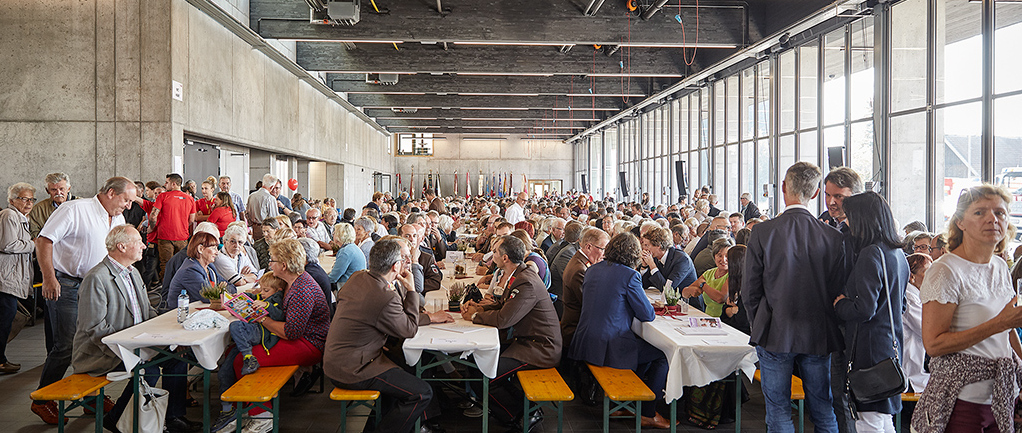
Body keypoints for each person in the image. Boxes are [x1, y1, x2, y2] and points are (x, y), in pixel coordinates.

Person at [743, 162, 848, 433]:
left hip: (775, 330)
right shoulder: (833, 237)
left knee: (778, 409)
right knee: (823, 408)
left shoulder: (763, 232)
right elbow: (838, 289)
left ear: (783, 188)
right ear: (815, 194)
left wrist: (759, 323)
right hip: (818, 331)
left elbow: (750, 290)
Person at [911, 185, 1022, 433]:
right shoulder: (946, 270)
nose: (992, 219)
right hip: (962, 401)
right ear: (960, 222)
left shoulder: (999, 266)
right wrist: (1001, 324)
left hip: (1003, 396)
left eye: (1000, 213)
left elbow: (1008, 328)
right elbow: (934, 345)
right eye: (980, 212)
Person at [71, 225, 200, 433]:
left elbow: (147, 312)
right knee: (146, 369)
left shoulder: (132, 272)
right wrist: (134, 351)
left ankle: (173, 416)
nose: (144, 245)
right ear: (121, 247)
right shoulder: (97, 278)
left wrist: (167, 335)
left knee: (177, 356)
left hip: (137, 343)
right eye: (138, 241)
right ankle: (116, 418)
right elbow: (95, 328)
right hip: (104, 352)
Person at [31, 177, 135, 425]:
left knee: (96, 342)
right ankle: (42, 399)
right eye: (126, 199)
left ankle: (91, 397)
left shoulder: (118, 218)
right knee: (66, 345)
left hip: (99, 286)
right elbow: (44, 240)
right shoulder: (75, 209)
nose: (129, 206)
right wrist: (49, 278)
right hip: (67, 283)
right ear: (111, 192)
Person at [215, 239, 331, 432]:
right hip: (303, 339)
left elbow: (291, 333)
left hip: (310, 344)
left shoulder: (301, 289)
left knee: (243, 360)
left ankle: (261, 416)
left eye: (272, 260)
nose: (270, 263)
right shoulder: (294, 281)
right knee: (236, 354)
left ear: (283, 265)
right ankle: (242, 409)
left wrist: (260, 318)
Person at [323, 237, 436, 433]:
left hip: (337, 359)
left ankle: (410, 423)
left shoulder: (358, 278)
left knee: (407, 367)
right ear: (395, 266)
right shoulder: (385, 295)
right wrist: (411, 289)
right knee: (422, 393)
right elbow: (409, 329)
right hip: (355, 368)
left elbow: (387, 317)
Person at [568, 233, 671, 429]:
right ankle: (648, 413)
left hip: (585, 340)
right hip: (609, 345)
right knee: (662, 354)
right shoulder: (629, 275)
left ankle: (626, 404)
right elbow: (647, 314)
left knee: (643, 351)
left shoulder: (593, 270)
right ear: (633, 254)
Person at [460, 235, 562, 432]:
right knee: (475, 363)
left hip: (539, 348)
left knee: (483, 373)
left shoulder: (525, 282)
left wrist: (475, 317)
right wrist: (479, 308)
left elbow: (504, 319)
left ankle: (521, 413)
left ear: (505, 257)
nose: (493, 255)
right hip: (526, 341)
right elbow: (504, 306)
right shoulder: (517, 274)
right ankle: (520, 409)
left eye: (496, 252)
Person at [832, 192, 909, 432]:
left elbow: (864, 309)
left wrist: (840, 303)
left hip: (870, 348)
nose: (849, 224)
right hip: (891, 343)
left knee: (868, 419)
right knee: (883, 417)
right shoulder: (898, 254)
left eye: (851, 218)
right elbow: (902, 304)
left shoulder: (870, 253)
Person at [0, 182, 36, 373]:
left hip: (13, 277)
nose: (29, 202)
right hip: (6, 278)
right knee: (6, 318)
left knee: (8, 317)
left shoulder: (21, 217)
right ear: (12, 199)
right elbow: (8, 245)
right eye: (24, 198)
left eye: (31, 199)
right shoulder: (9, 215)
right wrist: (33, 244)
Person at [560, 227, 609, 351]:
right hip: (575, 331)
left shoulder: (581, 262)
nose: (604, 254)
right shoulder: (580, 270)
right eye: (602, 249)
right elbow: (590, 304)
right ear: (588, 247)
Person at [229, 272, 287, 375]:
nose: (262, 293)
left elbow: (280, 315)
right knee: (227, 365)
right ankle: (225, 388)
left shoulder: (276, 300)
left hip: (260, 332)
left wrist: (266, 305)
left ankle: (248, 356)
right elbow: (253, 297)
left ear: (278, 291)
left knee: (235, 325)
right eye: (261, 289)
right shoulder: (264, 296)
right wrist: (241, 297)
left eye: (266, 290)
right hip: (254, 329)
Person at [152, 173, 196, 280]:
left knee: (166, 265)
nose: (165, 184)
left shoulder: (162, 196)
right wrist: (182, 225)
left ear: (173, 184)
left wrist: (151, 228)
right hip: (182, 236)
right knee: (182, 265)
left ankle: (166, 291)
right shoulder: (190, 199)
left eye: (166, 182)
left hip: (165, 236)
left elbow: (153, 216)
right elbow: (192, 219)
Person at [167, 231, 229, 304]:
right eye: (213, 248)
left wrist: (223, 291)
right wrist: (223, 291)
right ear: (200, 249)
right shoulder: (190, 270)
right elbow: (207, 297)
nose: (217, 252)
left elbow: (230, 286)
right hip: (181, 313)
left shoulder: (210, 267)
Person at [683, 237, 734, 317]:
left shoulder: (732, 274)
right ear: (714, 256)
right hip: (707, 318)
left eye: (727, 256)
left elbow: (720, 298)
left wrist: (703, 285)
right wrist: (690, 290)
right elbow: (684, 293)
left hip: (725, 321)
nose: (723, 260)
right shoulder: (709, 273)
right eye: (719, 255)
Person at [903, 253, 932, 393]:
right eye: (927, 272)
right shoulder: (909, 298)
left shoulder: (918, 296)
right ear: (911, 277)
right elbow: (928, 330)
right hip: (911, 378)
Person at [639, 226, 698, 293]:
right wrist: (644, 266)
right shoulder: (655, 257)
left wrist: (652, 266)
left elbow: (667, 289)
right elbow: (643, 285)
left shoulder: (682, 259)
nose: (644, 249)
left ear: (658, 245)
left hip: (686, 301)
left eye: (647, 245)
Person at [28, 172, 73, 238]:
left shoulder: (81, 205)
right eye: (54, 190)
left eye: (61, 189)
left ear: (68, 189)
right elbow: (35, 234)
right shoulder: (38, 210)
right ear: (47, 191)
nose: (58, 193)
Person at [818, 167, 864, 231]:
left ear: (856, 197)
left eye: (838, 196)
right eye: (828, 195)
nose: (830, 202)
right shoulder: (824, 219)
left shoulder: (864, 226)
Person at [327, 222, 366, 289]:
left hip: (348, 288)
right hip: (357, 285)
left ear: (339, 236)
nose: (333, 235)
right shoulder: (352, 247)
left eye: (334, 233)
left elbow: (333, 277)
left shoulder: (345, 252)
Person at [722, 245, 749, 334]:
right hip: (733, 329)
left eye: (727, 258)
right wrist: (732, 310)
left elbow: (742, 322)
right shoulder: (733, 281)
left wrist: (733, 310)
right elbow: (724, 313)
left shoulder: (749, 286)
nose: (724, 261)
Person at [247, 174, 280, 240]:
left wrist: (251, 224)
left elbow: (247, 213)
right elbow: (273, 218)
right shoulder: (270, 198)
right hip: (267, 230)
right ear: (272, 187)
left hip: (254, 228)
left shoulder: (251, 196)